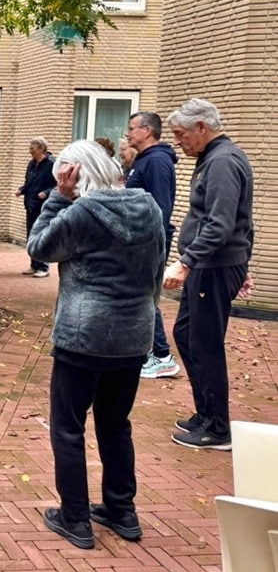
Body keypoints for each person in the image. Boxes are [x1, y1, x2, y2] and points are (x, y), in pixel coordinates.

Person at [28, 140, 165, 549]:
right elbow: (157, 268)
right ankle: (122, 511)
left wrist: (57, 198)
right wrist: (146, 314)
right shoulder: (148, 207)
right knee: (115, 423)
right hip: (132, 335)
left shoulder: (82, 212)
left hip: (83, 336)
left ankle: (75, 518)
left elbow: (39, 248)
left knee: (68, 427)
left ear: (74, 175)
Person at [163, 98, 253, 451]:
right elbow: (244, 220)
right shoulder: (212, 158)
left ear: (202, 127)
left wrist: (185, 262)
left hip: (213, 267)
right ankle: (205, 413)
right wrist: (243, 263)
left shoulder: (223, 161)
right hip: (214, 264)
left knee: (206, 344)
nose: (178, 141)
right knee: (186, 334)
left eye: (181, 134)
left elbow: (221, 223)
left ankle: (217, 429)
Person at [125, 112, 180, 379]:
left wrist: (145, 240)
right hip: (140, 240)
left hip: (149, 242)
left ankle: (161, 355)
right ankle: (150, 351)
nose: (127, 133)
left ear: (147, 131)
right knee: (141, 295)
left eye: (132, 128)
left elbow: (160, 208)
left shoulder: (157, 161)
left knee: (147, 297)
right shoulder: (145, 160)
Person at [14, 137, 56, 278]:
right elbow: (29, 183)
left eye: (32, 147)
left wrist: (46, 192)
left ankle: (43, 267)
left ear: (41, 148)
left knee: (42, 235)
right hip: (31, 204)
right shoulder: (31, 164)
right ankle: (34, 264)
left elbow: (57, 185)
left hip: (44, 206)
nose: (30, 150)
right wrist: (21, 190)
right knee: (31, 235)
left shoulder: (51, 164)